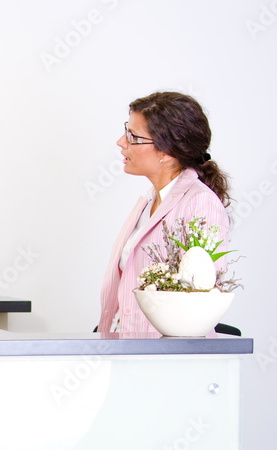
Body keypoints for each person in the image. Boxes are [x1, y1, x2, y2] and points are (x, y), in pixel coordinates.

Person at [98, 91, 232, 334]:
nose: (121, 142)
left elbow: (201, 296)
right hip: (124, 348)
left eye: (133, 137)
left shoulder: (200, 204)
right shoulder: (148, 200)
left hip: (165, 359)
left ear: (167, 152)